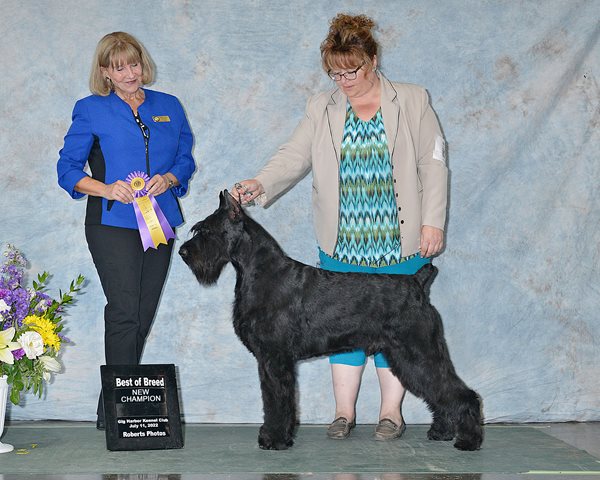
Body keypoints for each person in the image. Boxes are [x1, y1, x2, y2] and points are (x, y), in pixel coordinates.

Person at [234, 13, 448, 441]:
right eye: (334, 72)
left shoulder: (411, 99)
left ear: (372, 60)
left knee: (396, 328)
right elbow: (294, 155)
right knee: (342, 327)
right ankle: (343, 413)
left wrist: (432, 222)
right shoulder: (322, 106)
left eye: (351, 70)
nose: (343, 80)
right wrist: (260, 183)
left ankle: (391, 413)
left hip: (397, 236)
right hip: (342, 236)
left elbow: (433, 162)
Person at [57, 32, 195, 430]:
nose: (129, 73)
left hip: (161, 223)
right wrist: (105, 188)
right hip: (112, 223)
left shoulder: (169, 106)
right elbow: (67, 170)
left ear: (142, 64)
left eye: (133, 64)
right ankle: (119, 413)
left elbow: (185, 159)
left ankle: (112, 409)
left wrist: (169, 178)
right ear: (105, 72)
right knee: (123, 311)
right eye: (118, 67)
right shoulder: (90, 110)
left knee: (142, 314)